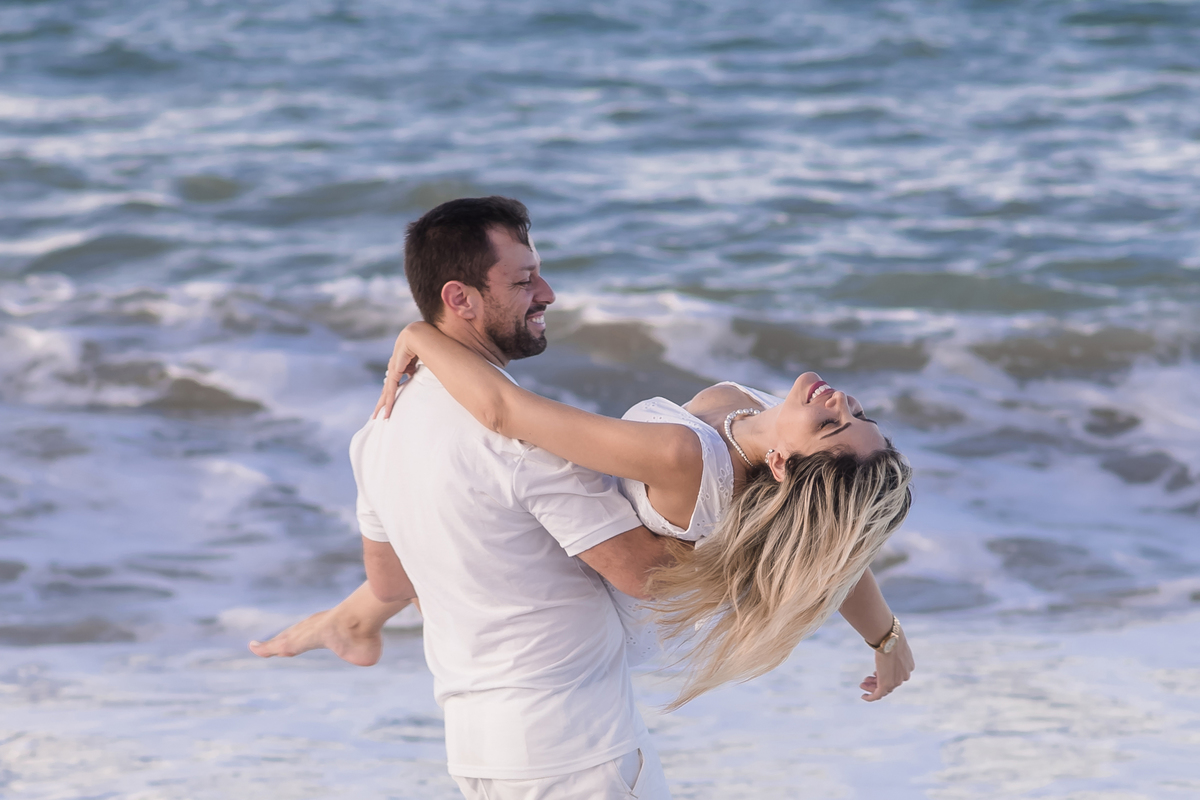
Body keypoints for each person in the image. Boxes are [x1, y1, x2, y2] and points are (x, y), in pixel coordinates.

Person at [255, 197, 675, 799]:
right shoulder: (528, 441)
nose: (548, 293)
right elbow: (647, 576)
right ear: (460, 299)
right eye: (524, 279)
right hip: (579, 754)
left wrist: (347, 619)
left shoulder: (378, 434)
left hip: (479, 754)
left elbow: (393, 582)